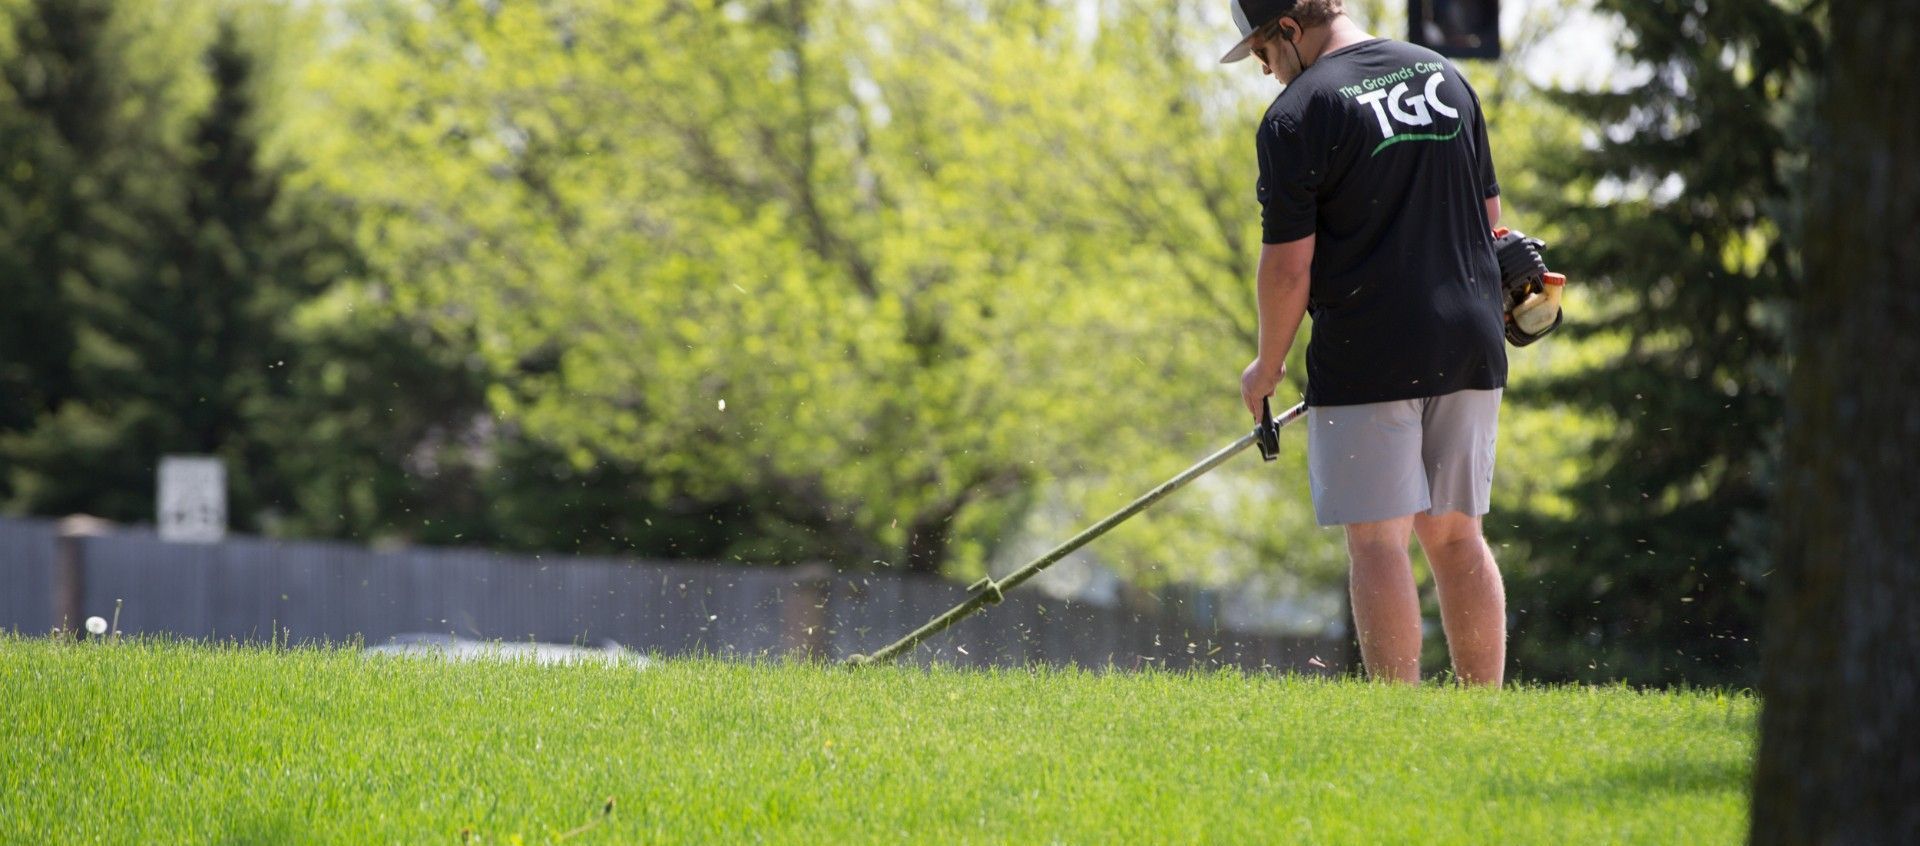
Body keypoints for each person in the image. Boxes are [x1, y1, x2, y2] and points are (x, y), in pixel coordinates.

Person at [1221, 0, 1509, 685]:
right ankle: (1485, 718)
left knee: (1379, 540)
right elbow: (1491, 221)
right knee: (1457, 531)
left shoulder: (1298, 115)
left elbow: (1289, 266)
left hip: (1369, 344)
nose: (1265, 71)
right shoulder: (1443, 75)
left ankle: (1397, 720)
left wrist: (1267, 365)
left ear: (1289, 28)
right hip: (1471, 338)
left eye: (1262, 52)